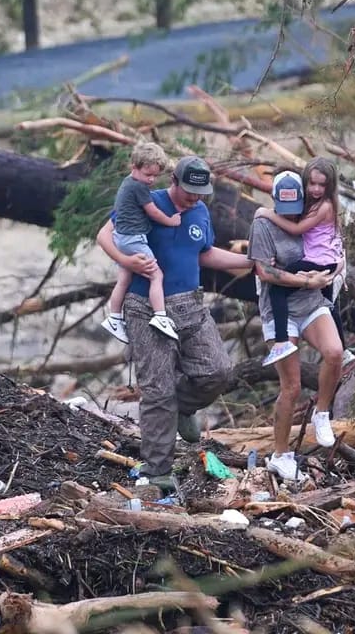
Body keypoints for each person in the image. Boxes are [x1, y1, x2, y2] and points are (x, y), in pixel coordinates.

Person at [96, 155, 254, 490]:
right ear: (174, 180)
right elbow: (104, 236)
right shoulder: (145, 199)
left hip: (191, 305)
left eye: (201, 192)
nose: (195, 197)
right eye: (189, 190)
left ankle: (182, 407)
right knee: (157, 390)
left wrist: (248, 260)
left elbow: (204, 253)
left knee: (218, 370)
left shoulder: (200, 211)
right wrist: (126, 261)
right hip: (145, 307)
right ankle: (157, 471)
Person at [247, 171, 344, 482]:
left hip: (311, 302)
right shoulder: (262, 224)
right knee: (292, 385)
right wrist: (305, 279)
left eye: (295, 206)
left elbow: (329, 244)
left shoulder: (312, 213)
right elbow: (264, 271)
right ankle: (280, 454)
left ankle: (322, 414)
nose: (290, 213)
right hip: (280, 311)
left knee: (335, 352)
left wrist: (336, 265)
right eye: (283, 207)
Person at [254, 157, 354, 368]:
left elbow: (296, 229)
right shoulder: (315, 204)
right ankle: (343, 350)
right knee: (329, 303)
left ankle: (281, 341)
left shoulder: (324, 206)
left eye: (322, 185)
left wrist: (266, 212)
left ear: (330, 185)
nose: (316, 189)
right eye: (312, 183)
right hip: (328, 260)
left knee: (277, 290)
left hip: (320, 262)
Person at [101, 141, 181, 345]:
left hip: (121, 237)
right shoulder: (139, 187)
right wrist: (171, 220)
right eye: (148, 175)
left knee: (124, 278)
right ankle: (160, 315)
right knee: (156, 275)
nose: (152, 180)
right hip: (133, 238)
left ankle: (114, 317)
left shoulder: (129, 182)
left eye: (155, 176)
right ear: (133, 167)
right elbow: (152, 212)